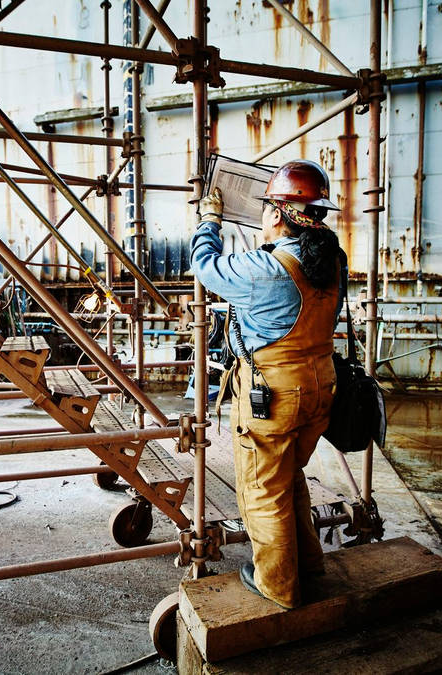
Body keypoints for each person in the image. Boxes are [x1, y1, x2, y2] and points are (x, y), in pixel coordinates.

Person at [190, 159, 346, 609]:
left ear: (277, 215)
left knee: (262, 490)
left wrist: (209, 220)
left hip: (274, 394)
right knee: (288, 477)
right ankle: (307, 564)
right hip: (320, 386)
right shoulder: (332, 261)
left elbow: (205, 266)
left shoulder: (268, 268)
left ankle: (278, 585)